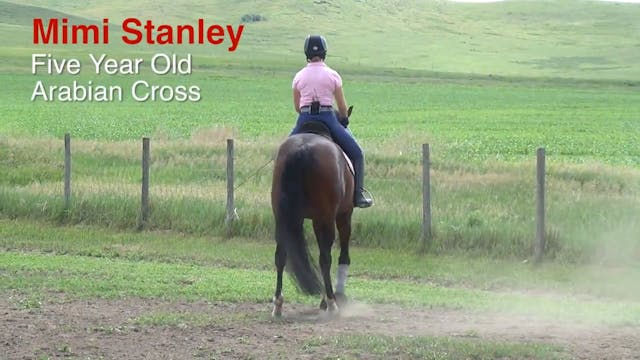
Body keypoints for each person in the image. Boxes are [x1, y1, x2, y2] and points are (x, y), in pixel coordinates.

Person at [290, 35, 373, 208]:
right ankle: (358, 195)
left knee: (283, 153)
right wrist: (343, 119)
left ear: (306, 52)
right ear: (324, 52)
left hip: (304, 118)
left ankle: (284, 194)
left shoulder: (298, 76)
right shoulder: (333, 75)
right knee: (357, 154)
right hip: (327, 118)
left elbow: (297, 107)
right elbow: (342, 108)